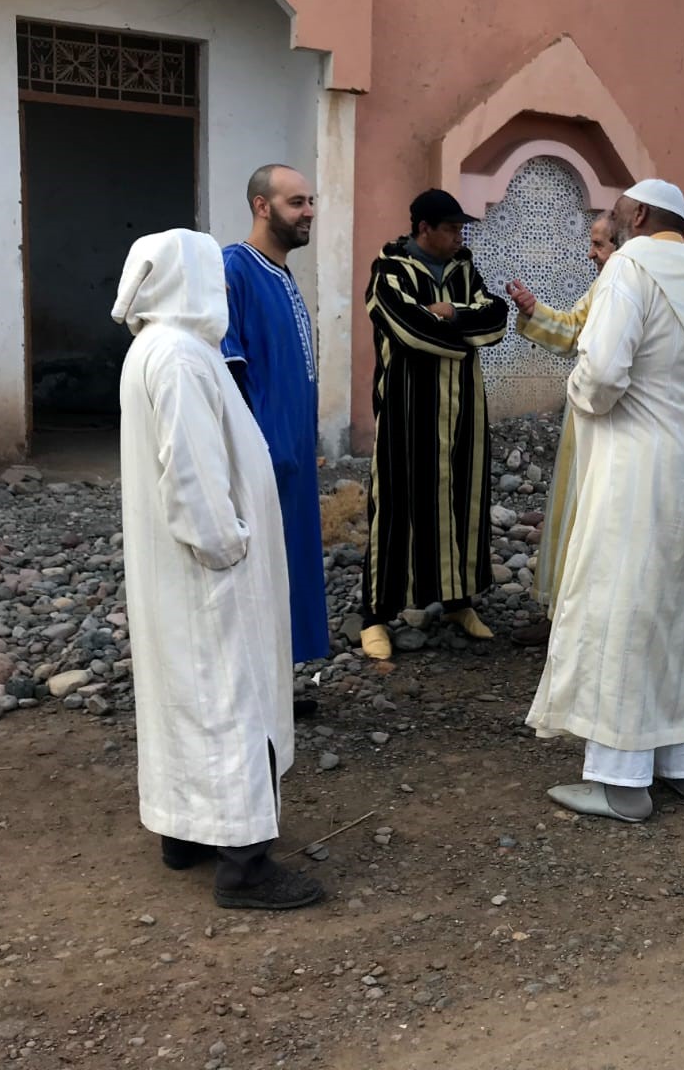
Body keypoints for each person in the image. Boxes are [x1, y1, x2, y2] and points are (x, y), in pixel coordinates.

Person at [112, 229, 325, 910]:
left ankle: (188, 830)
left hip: (183, 574)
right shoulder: (178, 356)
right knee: (232, 701)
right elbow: (194, 475)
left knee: (189, 701)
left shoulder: (164, 349)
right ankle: (244, 864)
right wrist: (228, 546)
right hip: (210, 572)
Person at [526, 179, 684, 822]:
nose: (611, 220)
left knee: (621, 607)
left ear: (640, 215)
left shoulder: (630, 266)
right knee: (681, 610)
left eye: (617, 211)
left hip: (642, 467)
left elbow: (601, 375)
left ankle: (620, 779)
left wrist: (579, 391)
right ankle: (679, 762)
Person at [360, 189, 510, 660]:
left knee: (463, 501)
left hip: (465, 409)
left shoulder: (464, 269)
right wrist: (464, 333)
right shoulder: (389, 272)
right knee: (397, 506)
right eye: (450, 228)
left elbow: (497, 319)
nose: (458, 236)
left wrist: (455, 314)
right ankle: (376, 614)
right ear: (424, 228)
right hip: (408, 408)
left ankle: (456, 601)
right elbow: (409, 330)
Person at [220, 165, 329, 668]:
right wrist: (258, 451)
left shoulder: (281, 274)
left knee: (289, 571)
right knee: (258, 576)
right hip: (263, 460)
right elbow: (228, 371)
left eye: (310, 201)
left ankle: (277, 684)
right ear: (262, 206)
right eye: (296, 203)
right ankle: (253, 695)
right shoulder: (235, 269)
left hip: (293, 460)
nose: (308, 212)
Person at [504, 213, 620, 648]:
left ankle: (592, 627)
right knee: (571, 510)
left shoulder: (639, 288)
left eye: (600, 245)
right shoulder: (604, 286)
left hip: (622, 426)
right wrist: (534, 311)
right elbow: (574, 330)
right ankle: (561, 615)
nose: (591, 253)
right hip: (585, 421)